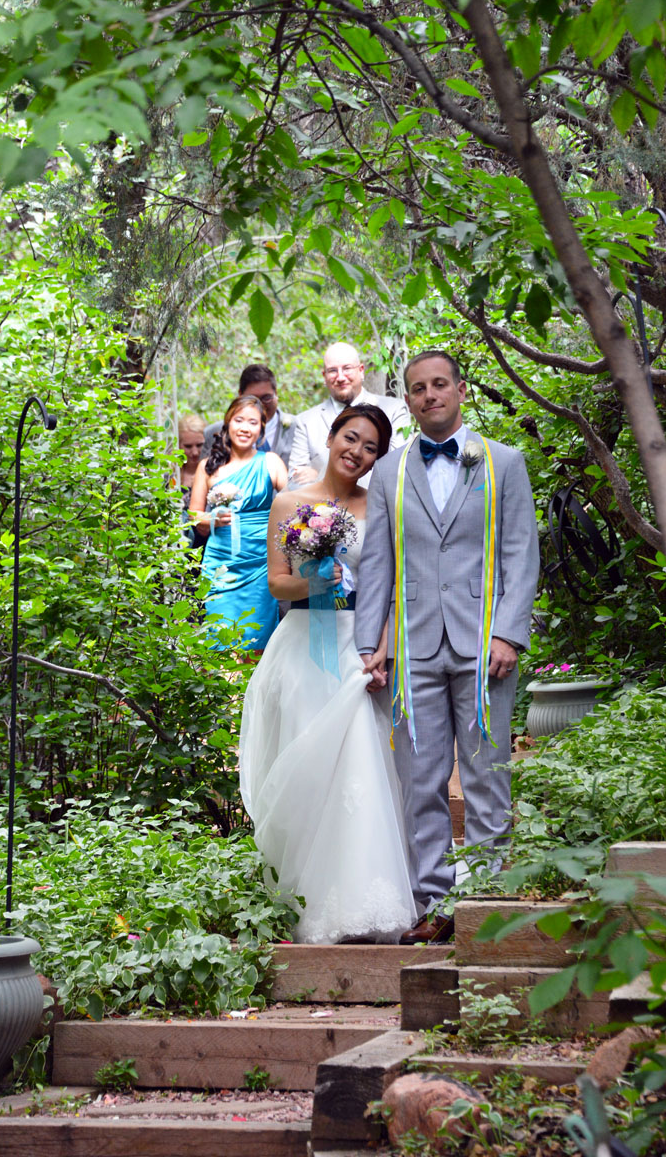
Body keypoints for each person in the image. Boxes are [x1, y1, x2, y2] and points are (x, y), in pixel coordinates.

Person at [355, 351, 540, 944]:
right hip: (411, 647)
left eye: (439, 385)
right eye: (417, 389)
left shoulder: (503, 462)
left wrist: (510, 631)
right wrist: (370, 644)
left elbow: (519, 552)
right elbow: (377, 561)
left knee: (487, 773)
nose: (429, 395)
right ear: (406, 400)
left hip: (485, 642)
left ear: (461, 391)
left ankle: (487, 898)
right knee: (422, 779)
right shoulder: (389, 470)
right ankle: (434, 903)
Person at [239, 404, 417, 944]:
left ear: (377, 459)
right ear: (332, 436)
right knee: (303, 764)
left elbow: (391, 590)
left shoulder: (380, 507)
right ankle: (296, 902)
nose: (356, 452)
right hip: (300, 646)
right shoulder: (289, 503)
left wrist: (382, 650)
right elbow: (276, 585)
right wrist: (318, 578)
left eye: (370, 447)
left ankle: (362, 902)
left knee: (358, 765)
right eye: (350, 438)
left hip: (357, 649)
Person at [189, 395, 287, 651]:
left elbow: (294, 505)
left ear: (261, 429)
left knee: (257, 641)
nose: (245, 427)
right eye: (239, 420)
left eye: (252, 422)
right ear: (228, 423)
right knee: (219, 641)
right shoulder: (207, 467)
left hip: (261, 564)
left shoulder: (271, 462)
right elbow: (193, 515)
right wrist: (212, 519)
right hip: (220, 565)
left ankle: (252, 693)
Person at [288, 342, 409, 487]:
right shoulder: (306, 421)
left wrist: (318, 474)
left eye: (347, 368)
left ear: (361, 370)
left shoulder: (393, 410)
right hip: (323, 508)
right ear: (324, 376)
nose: (340, 377)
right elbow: (295, 481)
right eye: (332, 370)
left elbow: (397, 467)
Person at [202, 365, 297, 468]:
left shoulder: (298, 427)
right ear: (240, 395)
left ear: (276, 393)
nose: (261, 405)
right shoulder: (214, 433)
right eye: (253, 399)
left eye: (266, 398)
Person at [178, 413, 207, 549]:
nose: (195, 452)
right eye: (188, 446)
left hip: (207, 544)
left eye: (199, 445)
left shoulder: (213, 472)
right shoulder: (172, 476)